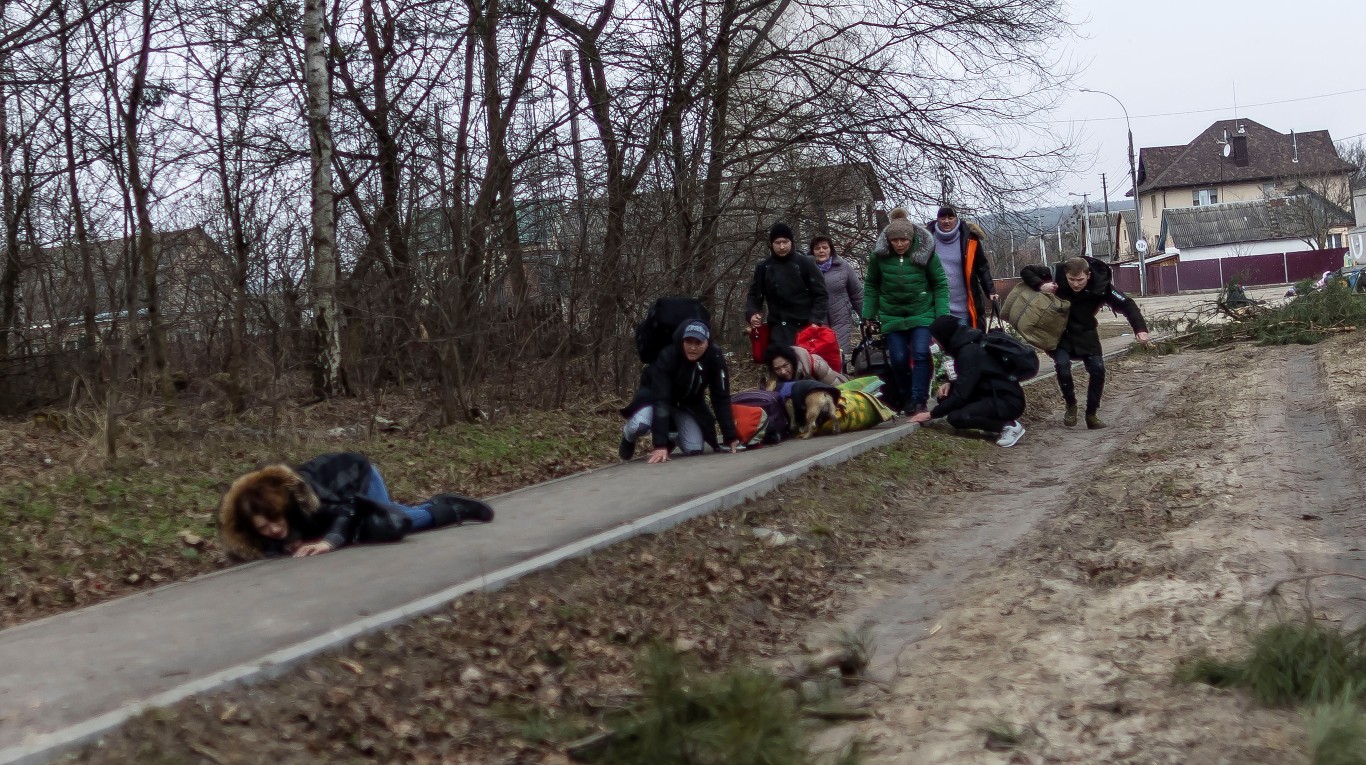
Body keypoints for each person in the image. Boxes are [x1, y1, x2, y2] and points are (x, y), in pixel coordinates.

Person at [219, 452, 494, 559]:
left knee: (388, 522)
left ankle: (450, 508)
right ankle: (440, 506)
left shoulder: (304, 495)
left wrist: (329, 542)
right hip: (341, 498)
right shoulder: (256, 529)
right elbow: (261, 547)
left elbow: (346, 507)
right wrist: (283, 544)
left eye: (276, 521)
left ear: (281, 507)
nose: (273, 529)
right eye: (263, 528)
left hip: (357, 475)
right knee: (373, 524)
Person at [1020, 255, 1150, 429]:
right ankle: (1071, 404)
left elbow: (1127, 304)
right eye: (1071, 279)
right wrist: (1041, 285)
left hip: (1086, 333)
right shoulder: (1054, 274)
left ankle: (1091, 414)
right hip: (1060, 334)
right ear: (1065, 274)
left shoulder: (1101, 286)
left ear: (1088, 275)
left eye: (1080, 279)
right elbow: (1026, 271)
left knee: (1097, 370)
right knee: (1062, 365)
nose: (1075, 284)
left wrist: (1140, 330)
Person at [861, 207, 950, 415]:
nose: (899, 244)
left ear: (911, 239)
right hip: (892, 316)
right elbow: (872, 285)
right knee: (899, 358)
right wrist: (868, 314)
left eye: (904, 240)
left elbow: (940, 284)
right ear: (889, 241)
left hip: (922, 313)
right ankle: (907, 396)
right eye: (895, 240)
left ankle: (919, 399)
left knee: (920, 353)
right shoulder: (879, 257)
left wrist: (942, 315)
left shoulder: (926, 254)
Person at [619, 319, 741, 463]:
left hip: (686, 405)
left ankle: (672, 435)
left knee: (694, 448)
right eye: (689, 342)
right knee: (640, 425)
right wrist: (660, 445)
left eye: (698, 343)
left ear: (707, 343)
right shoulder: (668, 356)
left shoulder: (714, 357)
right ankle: (628, 435)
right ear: (682, 340)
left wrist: (730, 436)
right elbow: (662, 400)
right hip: (654, 399)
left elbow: (721, 397)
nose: (693, 348)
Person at [910, 315, 1025, 447]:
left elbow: (961, 394)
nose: (933, 341)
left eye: (935, 337)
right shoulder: (966, 344)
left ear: (944, 336)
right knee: (945, 399)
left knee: (956, 417)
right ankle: (989, 421)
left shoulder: (969, 352)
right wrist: (951, 383)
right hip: (993, 394)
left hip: (1007, 400)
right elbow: (972, 377)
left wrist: (931, 414)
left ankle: (1008, 426)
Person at [746, 222, 829, 351]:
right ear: (771, 244)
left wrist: (815, 320)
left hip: (805, 327)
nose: (782, 246)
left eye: (785, 242)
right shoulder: (764, 267)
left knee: (806, 367)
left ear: (791, 242)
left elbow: (821, 294)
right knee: (781, 367)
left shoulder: (805, 263)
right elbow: (754, 295)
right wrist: (752, 313)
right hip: (778, 328)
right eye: (777, 243)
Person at [928, 206, 998, 329]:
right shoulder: (927, 239)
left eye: (951, 217)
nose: (946, 221)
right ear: (937, 219)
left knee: (966, 346)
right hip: (937, 309)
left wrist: (990, 291)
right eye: (942, 218)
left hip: (965, 309)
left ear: (956, 218)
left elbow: (982, 267)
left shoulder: (970, 239)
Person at [810, 234, 863, 358]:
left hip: (841, 319)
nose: (821, 251)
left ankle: (841, 376)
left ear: (831, 249)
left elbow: (857, 295)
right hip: (817, 322)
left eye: (825, 247)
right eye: (817, 248)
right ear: (812, 251)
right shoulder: (806, 269)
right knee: (820, 358)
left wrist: (865, 317)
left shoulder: (844, 267)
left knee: (839, 354)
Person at [764, 344, 848, 386]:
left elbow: (839, 388)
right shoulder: (772, 375)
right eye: (777, 369)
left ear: (792, 361)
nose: (783, 372)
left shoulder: (817, 365)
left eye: (785, 365)